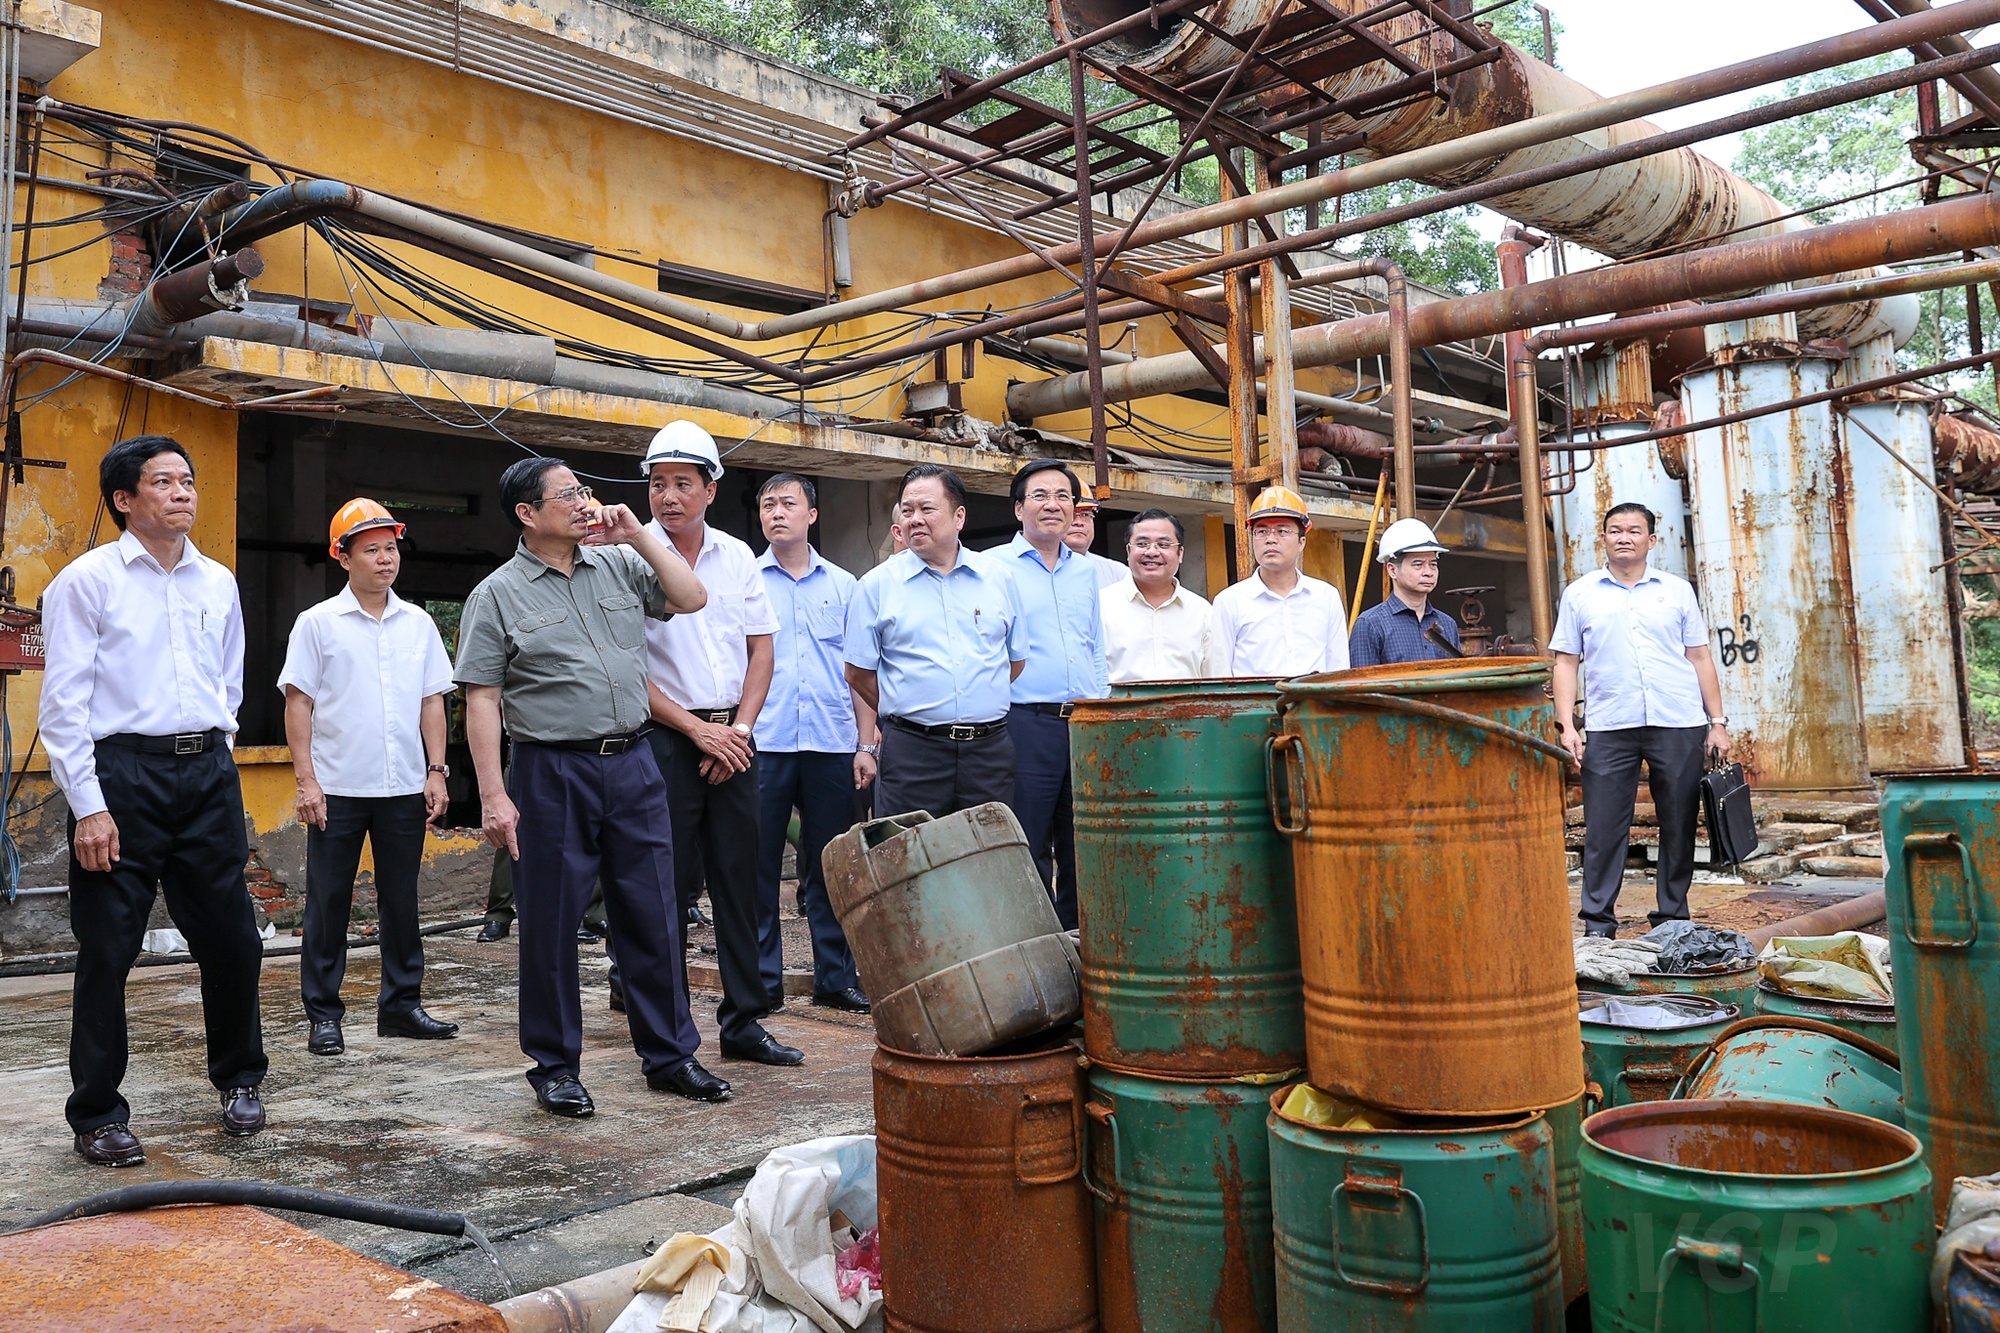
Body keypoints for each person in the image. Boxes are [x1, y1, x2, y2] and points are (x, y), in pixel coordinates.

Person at [455, 456, 729, 1115]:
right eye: (567, 494)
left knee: (653, 912)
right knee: (549, 920)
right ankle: (555, 1066)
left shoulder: (618, 563)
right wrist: (494, 794)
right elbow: (483, 699)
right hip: (552, 770)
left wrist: (638, 534)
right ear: (527, 513)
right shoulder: (496, 594)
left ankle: (670, 1055)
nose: (584, 502)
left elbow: (692, 597)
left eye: (584, 490)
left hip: (633, 762)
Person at [41, 434, 268, 1165]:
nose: (182, 492)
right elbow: (64, 704)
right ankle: (98, 1114)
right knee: (108, 948)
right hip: (122, 777)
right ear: (124, 500)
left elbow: (227, 683)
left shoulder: (217, 582)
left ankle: (240, 1078)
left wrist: (216, 758)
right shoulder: (87, 581)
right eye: (163, 481)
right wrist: (89, 804)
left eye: (188, 480)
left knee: (232, 940)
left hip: (205, 773)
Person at [638, 421, 803, 1069]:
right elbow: (627, 664)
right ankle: (672, 1029)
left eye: (683, 483)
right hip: (665, 741)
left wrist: (737, 729)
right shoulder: (628, 553)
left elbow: (762, 647)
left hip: (734, 738)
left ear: (710, 488)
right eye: (658, 483)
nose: (669, 495)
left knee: (740, 882)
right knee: (663, 887)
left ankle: (744, 1020)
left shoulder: (737, 555)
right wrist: (695, 728)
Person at [279, 499, 458, 1057]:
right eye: (372, 549)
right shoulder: (317, 624)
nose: (386, 559)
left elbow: (433, 701)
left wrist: (436, 770)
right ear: (343, 557)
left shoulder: (419, 623)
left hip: (404, 785)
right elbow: (298, 703)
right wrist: (306, 781)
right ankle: (324, 1015)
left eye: (391, 547)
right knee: (329, 902)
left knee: (401, 900)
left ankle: (402, 1006)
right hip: (337, 789)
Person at [1551, 501, 1731, 940]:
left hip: (1677, 719)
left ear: (1652, 540)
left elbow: (1700, 657)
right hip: (1611, 724)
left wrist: (1718, 721)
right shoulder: (1580, 593)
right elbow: (1565, 663)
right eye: (1615, 530)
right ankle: (1598, 924)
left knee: (1679, 822)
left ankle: (1672, 919)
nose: (1624, 537)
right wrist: (1567, 725)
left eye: (1634, 530)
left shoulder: (1676, 591)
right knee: (1604, 826)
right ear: (1604, 539)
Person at [845, 464, 1027, 820]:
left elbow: (1014, 661)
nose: (915, 519)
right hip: (913, 752)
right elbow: (857, 672)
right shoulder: (877, 585)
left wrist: (972, 698)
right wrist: (913, 707)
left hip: (988, 752)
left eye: (927, 509)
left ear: (959, 516)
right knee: (909, 858)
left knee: (989, 857)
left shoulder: (999, 579)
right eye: (908, 510)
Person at [754, 473, 872, 1014]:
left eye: (788, 504)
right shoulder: (746, 583)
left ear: (812, 516)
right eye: (768, 505)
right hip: (764, 742)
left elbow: (860, 673)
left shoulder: (846, 587)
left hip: (830, 741)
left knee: (831, 865)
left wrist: (866, 744)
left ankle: (835, 976)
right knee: (755, 865)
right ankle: (761, 980)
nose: (777, 513)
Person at [997, 460, 1106, 930]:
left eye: (1064, 496)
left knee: (1082, 844)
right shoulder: (992, 568)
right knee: (1029, 841)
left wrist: (1100, 704)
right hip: (1025, 722)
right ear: (1019, 508)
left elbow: (1095, 646)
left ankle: (1083, 955)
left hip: (1083, 721)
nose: (1053, 505)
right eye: (1040, 495)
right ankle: (1039, 951)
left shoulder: (1086, 573)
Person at [1211, 486, 1349, 677]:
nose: (1271, 539)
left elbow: (1338, 669)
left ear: (1302, 542)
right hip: (1255, 706)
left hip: (1312, 705)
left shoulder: (1326, 597)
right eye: (1262, 532)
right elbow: (1219, 673)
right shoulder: (1230, 601)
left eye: (1282, 531)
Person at [1100, 508, 1221, 683]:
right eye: (1142, 544)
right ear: (1128, 552)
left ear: (1180, 553)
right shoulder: (1102, 606)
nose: (1152, 552)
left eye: (1163, 545)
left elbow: (1214, 679)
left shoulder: (1201, 611)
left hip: (1188, 709)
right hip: (1119, 709)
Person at [1348, 518, 1461, 668]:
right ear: (1392, 570)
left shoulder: (1447, 624)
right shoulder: (1371, 625)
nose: (1428, 572)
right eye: (1418, 564)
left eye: (1433, 564)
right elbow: (1360, 686)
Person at [1063, 494, 1126, 589]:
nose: (1079, 522)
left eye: (1085, 515)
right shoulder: (1035, 569)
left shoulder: (1118, 574)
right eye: (1072, 514)